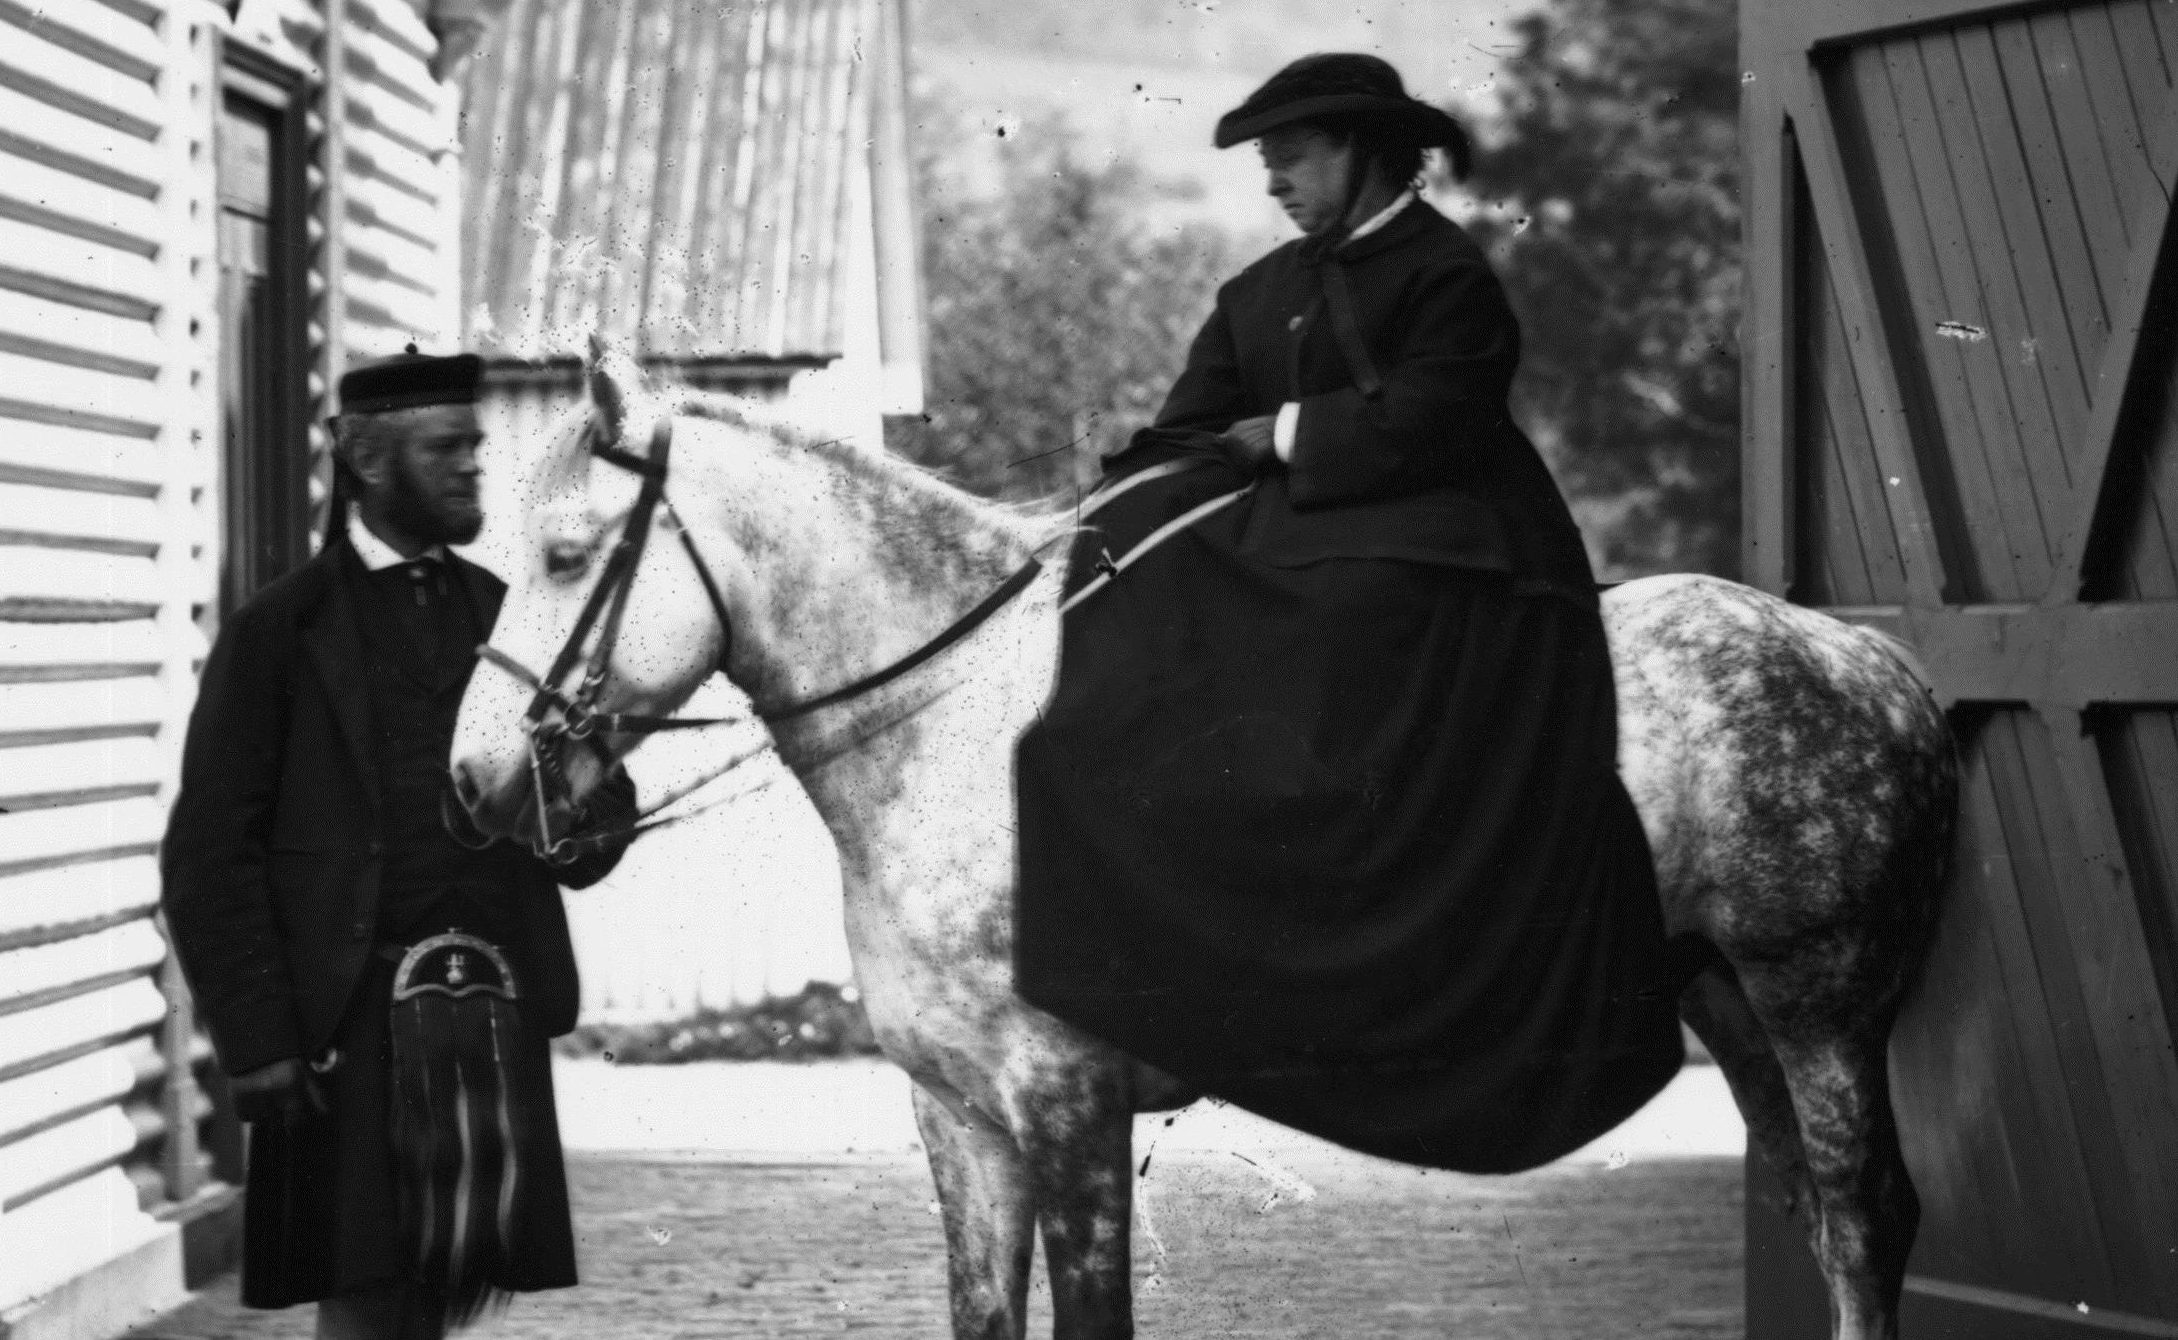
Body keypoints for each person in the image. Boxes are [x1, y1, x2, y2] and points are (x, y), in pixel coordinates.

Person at [1013, 53, 1685, 1172]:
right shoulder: (1259, 292)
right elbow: (1196, 424)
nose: (1273, 178)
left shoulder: (1449, 276)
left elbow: (1436, 415)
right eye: (1267, 160)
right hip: (1299, 543)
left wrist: (1278, 437)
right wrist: (1129, 466)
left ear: (1369, 152)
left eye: (1294, 155)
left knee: (1333, 613)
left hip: (1450, 542)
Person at [161, 350, 635, 1339]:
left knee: (442, 1292)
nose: (473, 465)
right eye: (445, 446)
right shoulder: (280, 632)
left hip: (488, 1009)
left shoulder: (507, 618)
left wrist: (577, 797)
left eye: (475, 443)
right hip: (345, 1026)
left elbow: (591, 833)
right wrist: (258, 1043)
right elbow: (209, 855)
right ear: (368, 460)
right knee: (369, 1301)